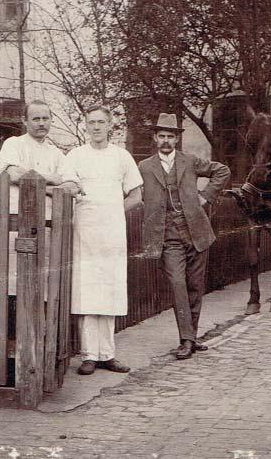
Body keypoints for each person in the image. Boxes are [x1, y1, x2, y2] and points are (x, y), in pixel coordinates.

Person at [137, 113, 230, 360]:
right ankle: (186, 339)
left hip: (196, 232)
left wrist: (206, 196)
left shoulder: (189, 161)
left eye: (170, 136)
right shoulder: (144, 167)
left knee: (195, 287)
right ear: (155, 138)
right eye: (162, 136)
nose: (166, 141)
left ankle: (191, 338)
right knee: (178, 285)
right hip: (167, 236)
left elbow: (222, 170)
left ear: (177, 139)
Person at [60, 106, 143, 376]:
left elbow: (136, 195)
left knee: (110, 290)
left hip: (112, 234)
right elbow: (67, 187)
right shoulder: (75, 156)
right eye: (91, 122)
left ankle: (107, 354)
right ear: (86, 125)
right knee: (87, 291)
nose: (96, 127)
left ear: (110, 125)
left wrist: (114, 211)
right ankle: (88, 356)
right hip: (84, 232)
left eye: (101, 122)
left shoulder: (122, 156)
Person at [0, 100, 65, 295]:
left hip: (45, 223)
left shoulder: (56, 153)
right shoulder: (13, 144)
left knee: (41, 280)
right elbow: (13, 174)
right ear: (25, 120)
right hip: (13, 222)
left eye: (45, 118)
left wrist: (36, 181)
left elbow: (68, 186)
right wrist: (51, 179)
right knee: (13, 278)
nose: (41, 123)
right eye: (36, 119)